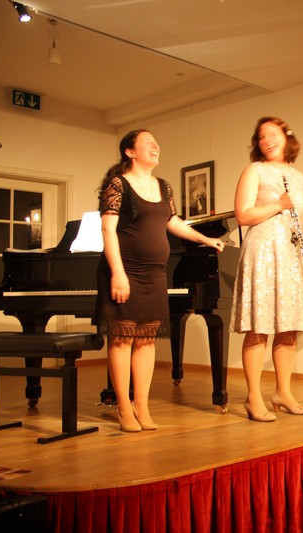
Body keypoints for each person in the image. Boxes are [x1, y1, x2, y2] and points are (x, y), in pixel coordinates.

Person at [95, 129, 225, 432]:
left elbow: (173, 222)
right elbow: (108, 230)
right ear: (130, 151)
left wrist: (205, 239)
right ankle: (123, 407)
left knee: (146, 339)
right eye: (148, 143)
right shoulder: (118, 184)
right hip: (125, 269)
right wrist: (118, 273)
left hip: (154, 274)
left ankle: (142, 406)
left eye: (156, 142)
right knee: (122, 338)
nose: (156, 146)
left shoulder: (163, 186)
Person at [230, 116, 303, 423]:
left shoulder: (299, 176)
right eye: (261, 136)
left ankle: (283, 392)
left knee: (289, 327)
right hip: (263, 252)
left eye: (272, 134)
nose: (267, 140)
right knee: (259, 326)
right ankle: (253, 397)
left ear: (286, 136)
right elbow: (243, 215)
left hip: (291, 256)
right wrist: (278, 205)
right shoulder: (254, 170)